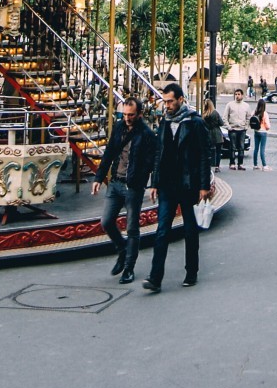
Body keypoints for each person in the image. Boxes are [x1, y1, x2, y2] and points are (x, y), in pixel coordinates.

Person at [143, 82, 213, 293]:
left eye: (171, 101)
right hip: (167, 184)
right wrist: (155, 182)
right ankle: (155, 277)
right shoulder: (164, 122)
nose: (167, 105)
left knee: (190, 230)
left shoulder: (195, 122)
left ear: (181, 99)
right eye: (165, 102)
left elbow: (203, 154)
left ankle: (191, 271)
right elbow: (159, 154)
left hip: (188, 184)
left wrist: (203, 185)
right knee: (162, 230)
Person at [91, 96, 157, 285]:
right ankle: (122, 248)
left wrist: (152, 183)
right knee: (106, 221)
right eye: (124, 114)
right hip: (115, 183)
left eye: (131, 115)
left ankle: (129, 268)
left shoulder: (146, 134)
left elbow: (153, 161)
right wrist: (98, 177)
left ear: (139, 114)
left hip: (133, 186)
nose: (127, 118)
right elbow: (110, 152)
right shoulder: (119, 127)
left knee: (132, 228)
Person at [223, 86, 252, 170]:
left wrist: (246, 126)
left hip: (242, 129)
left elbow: (248, 117)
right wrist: (228, 127)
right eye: (236, 94)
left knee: (241, 147)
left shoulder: (246, 106)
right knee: (232, 147)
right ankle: (232, 163)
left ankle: (240, 163)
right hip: (232, 129)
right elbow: (225, 117)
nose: (237, 96)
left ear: (242, 95)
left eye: (239, 94)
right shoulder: (230, 105)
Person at [201, 96, 224, 172]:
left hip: (208, 133)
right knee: (218, 151)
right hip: (217, 133)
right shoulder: (215, 113)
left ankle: (207, 165)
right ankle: (217, 166)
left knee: (208, 150)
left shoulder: (204, 114)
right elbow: (221, 123)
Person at [251, 99, 270, 168]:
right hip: (263, 132)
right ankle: (264, 164)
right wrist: (267, 127)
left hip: (256, 132)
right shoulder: (265, 114)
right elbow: (268, 126)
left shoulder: (254, 112)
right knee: (262, 149)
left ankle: (255, 164)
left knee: (256, 149)